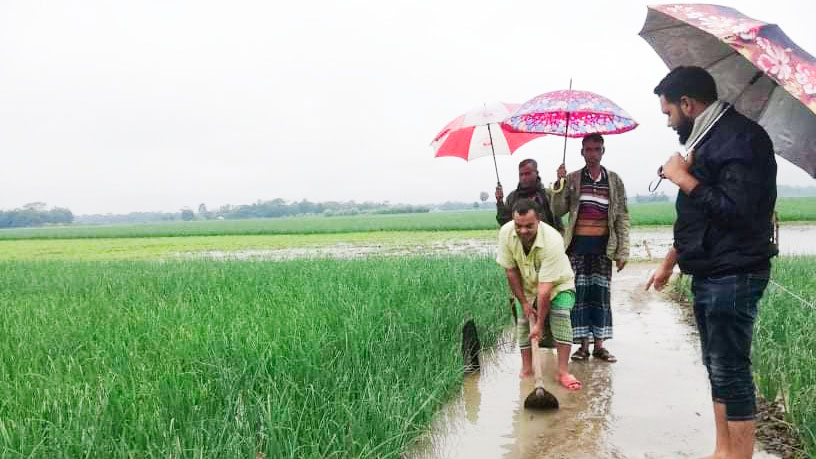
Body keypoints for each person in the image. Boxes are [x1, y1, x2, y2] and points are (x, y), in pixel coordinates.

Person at [646, 66, 777, 459]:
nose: (669, 123)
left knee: (730, 368)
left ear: (687, 104)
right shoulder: (709, 138)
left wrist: (683, 178)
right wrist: (671, 261)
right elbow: (699, 217)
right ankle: (722, 451)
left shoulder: (742, 140)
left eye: (669, 113)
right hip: (711, 269)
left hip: (733, 272)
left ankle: (736, 456)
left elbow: (737, 212)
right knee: (717, 365)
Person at [552, 133, 630, 363]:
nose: (593, 154)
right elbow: (557, 210)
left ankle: (600, 346)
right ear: (582, 152)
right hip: (577, 249)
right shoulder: (574, 179)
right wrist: (559, 184)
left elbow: (622, 217)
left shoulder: (614, 180)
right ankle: (583, 346)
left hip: (604, 248)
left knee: (601, 296)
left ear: (603, 151)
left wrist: (623, 251)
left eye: (597, 149)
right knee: (580, 296)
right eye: (588, 149)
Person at [496, 199, 581, 390]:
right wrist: (525, 304)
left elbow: (545, 289)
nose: (523, 231)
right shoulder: (506, 233)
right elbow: (510, 271)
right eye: (519, 226)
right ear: (513, 221)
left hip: (558, 284)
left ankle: (563, 372)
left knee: (560, 317)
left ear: (539, 220)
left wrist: (540, 324)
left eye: (529, 226)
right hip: (527, 286)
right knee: (524, 323)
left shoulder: (552, 240)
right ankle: (527, 369)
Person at [496, 159, 563, 233]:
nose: (524, 178)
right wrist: (500, 201)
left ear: (536, 173)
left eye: (528, 174)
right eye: (521, 174)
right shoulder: (512, 197)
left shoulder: (548, 195)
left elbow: (558, 224)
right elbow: (504, 222)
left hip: (546, 241)